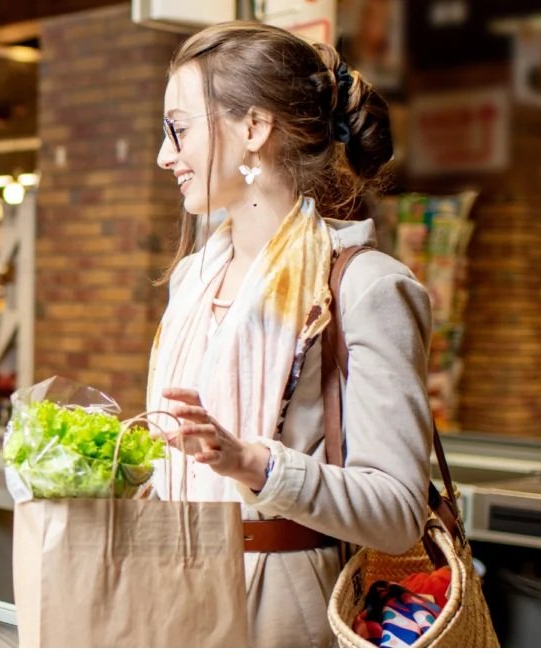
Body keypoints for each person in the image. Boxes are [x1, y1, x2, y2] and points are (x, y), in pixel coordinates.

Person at [148, 22, 432, 647]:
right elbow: (182, 467)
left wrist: (253, 462)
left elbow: (396, 512)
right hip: (171, 600)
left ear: (253, 128)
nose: (166, 155)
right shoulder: (194, 280)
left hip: (284, 616)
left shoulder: (365, 287)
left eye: (179, 128)